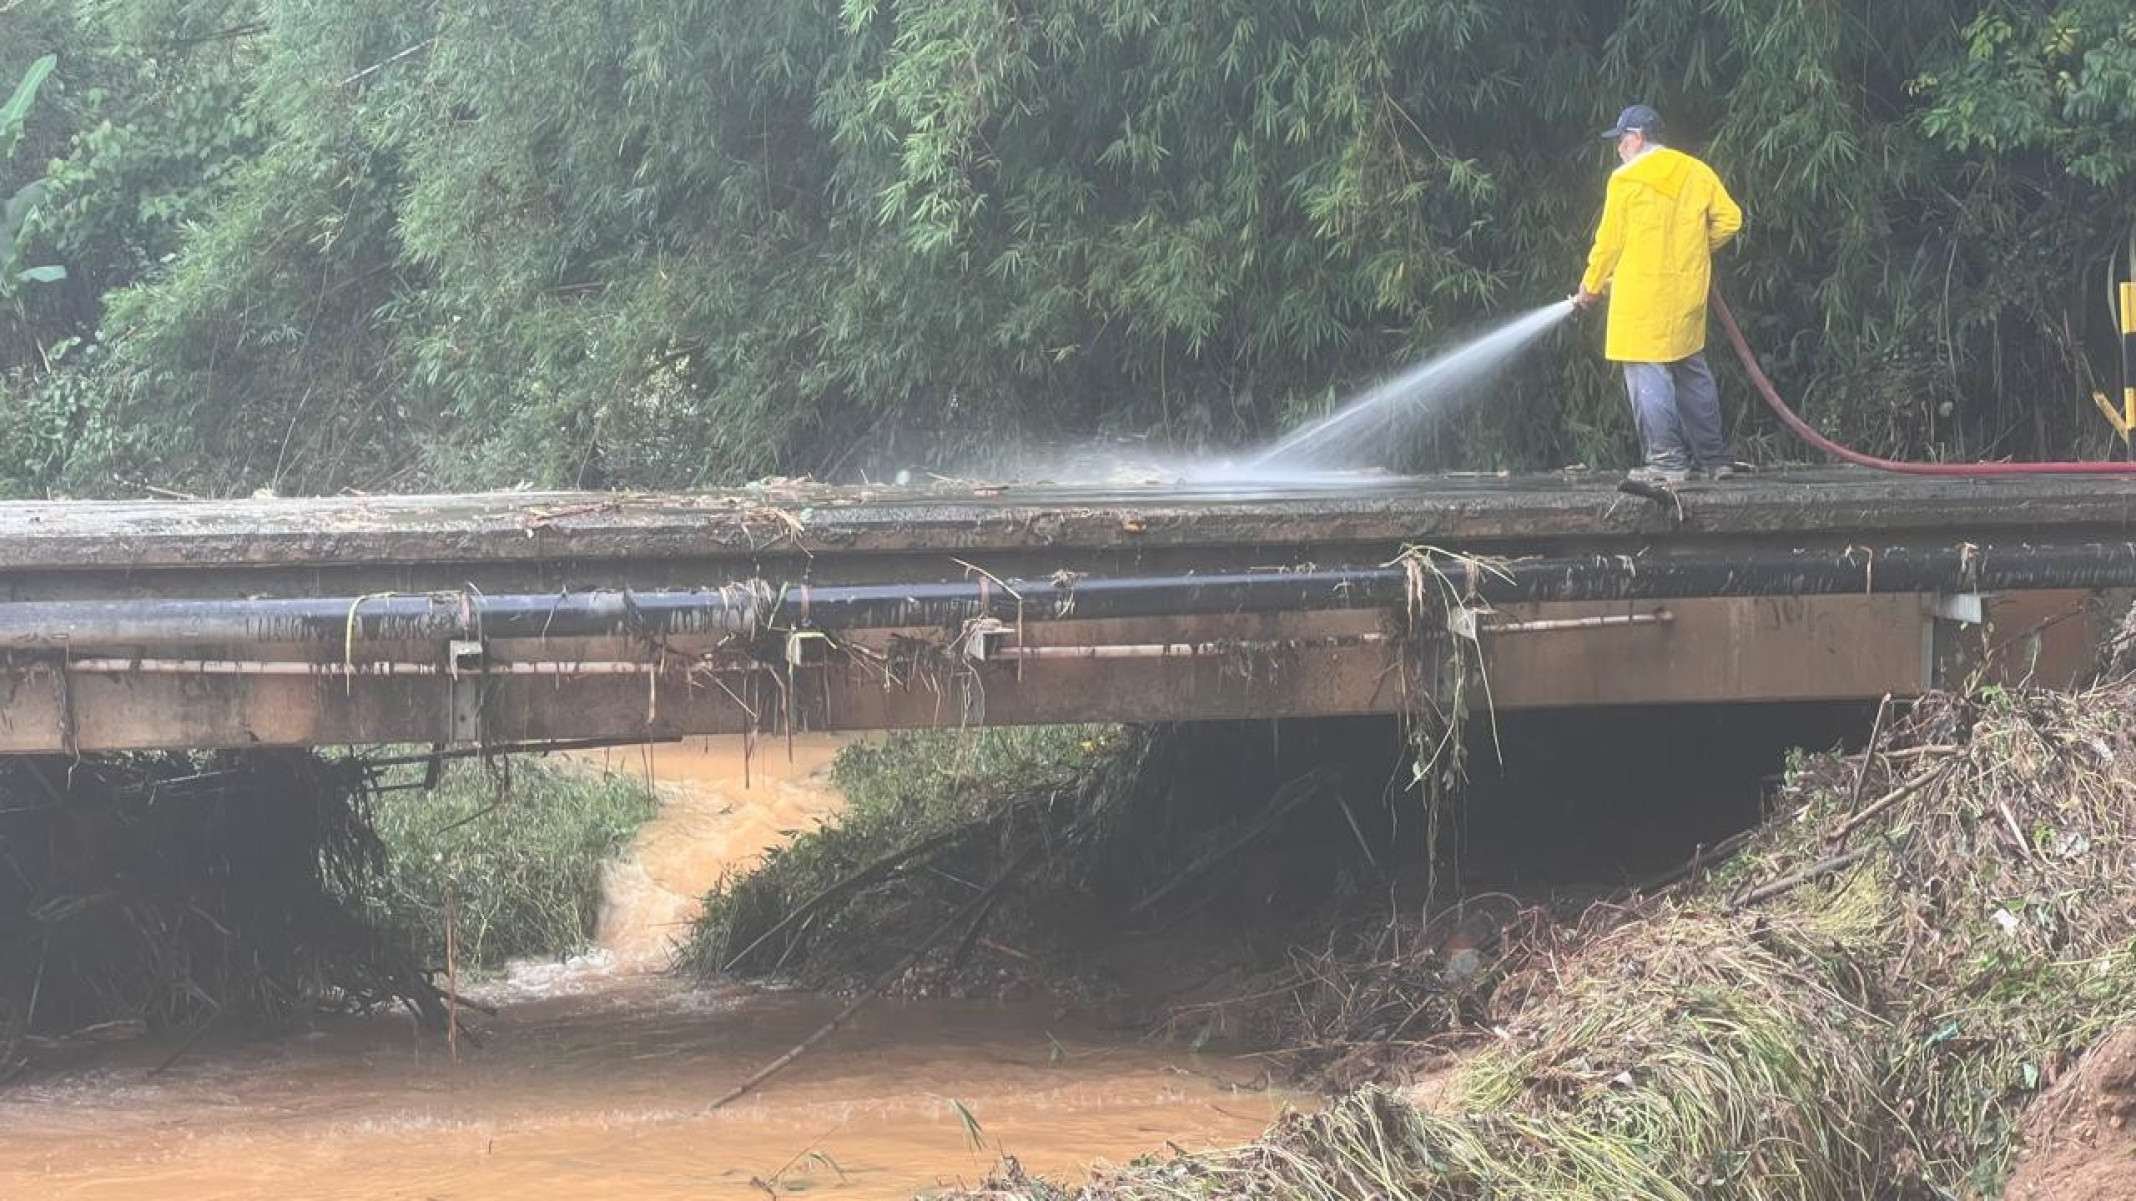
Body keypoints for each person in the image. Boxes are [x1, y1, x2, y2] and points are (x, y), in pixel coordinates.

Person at [1574, 104, 1743, 486]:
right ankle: (1715, 460)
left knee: (1646, 374)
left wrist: (1591, 285)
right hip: (1686, 292)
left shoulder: (1626, 180)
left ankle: (1667, 463)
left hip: (1640, 297)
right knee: (1689, 370)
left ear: (1636, 138)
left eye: (1620, 140)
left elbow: (1609, 242)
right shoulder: (1696, 171)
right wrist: (1698, 250)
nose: (1618, 148)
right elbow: (1731, 219)